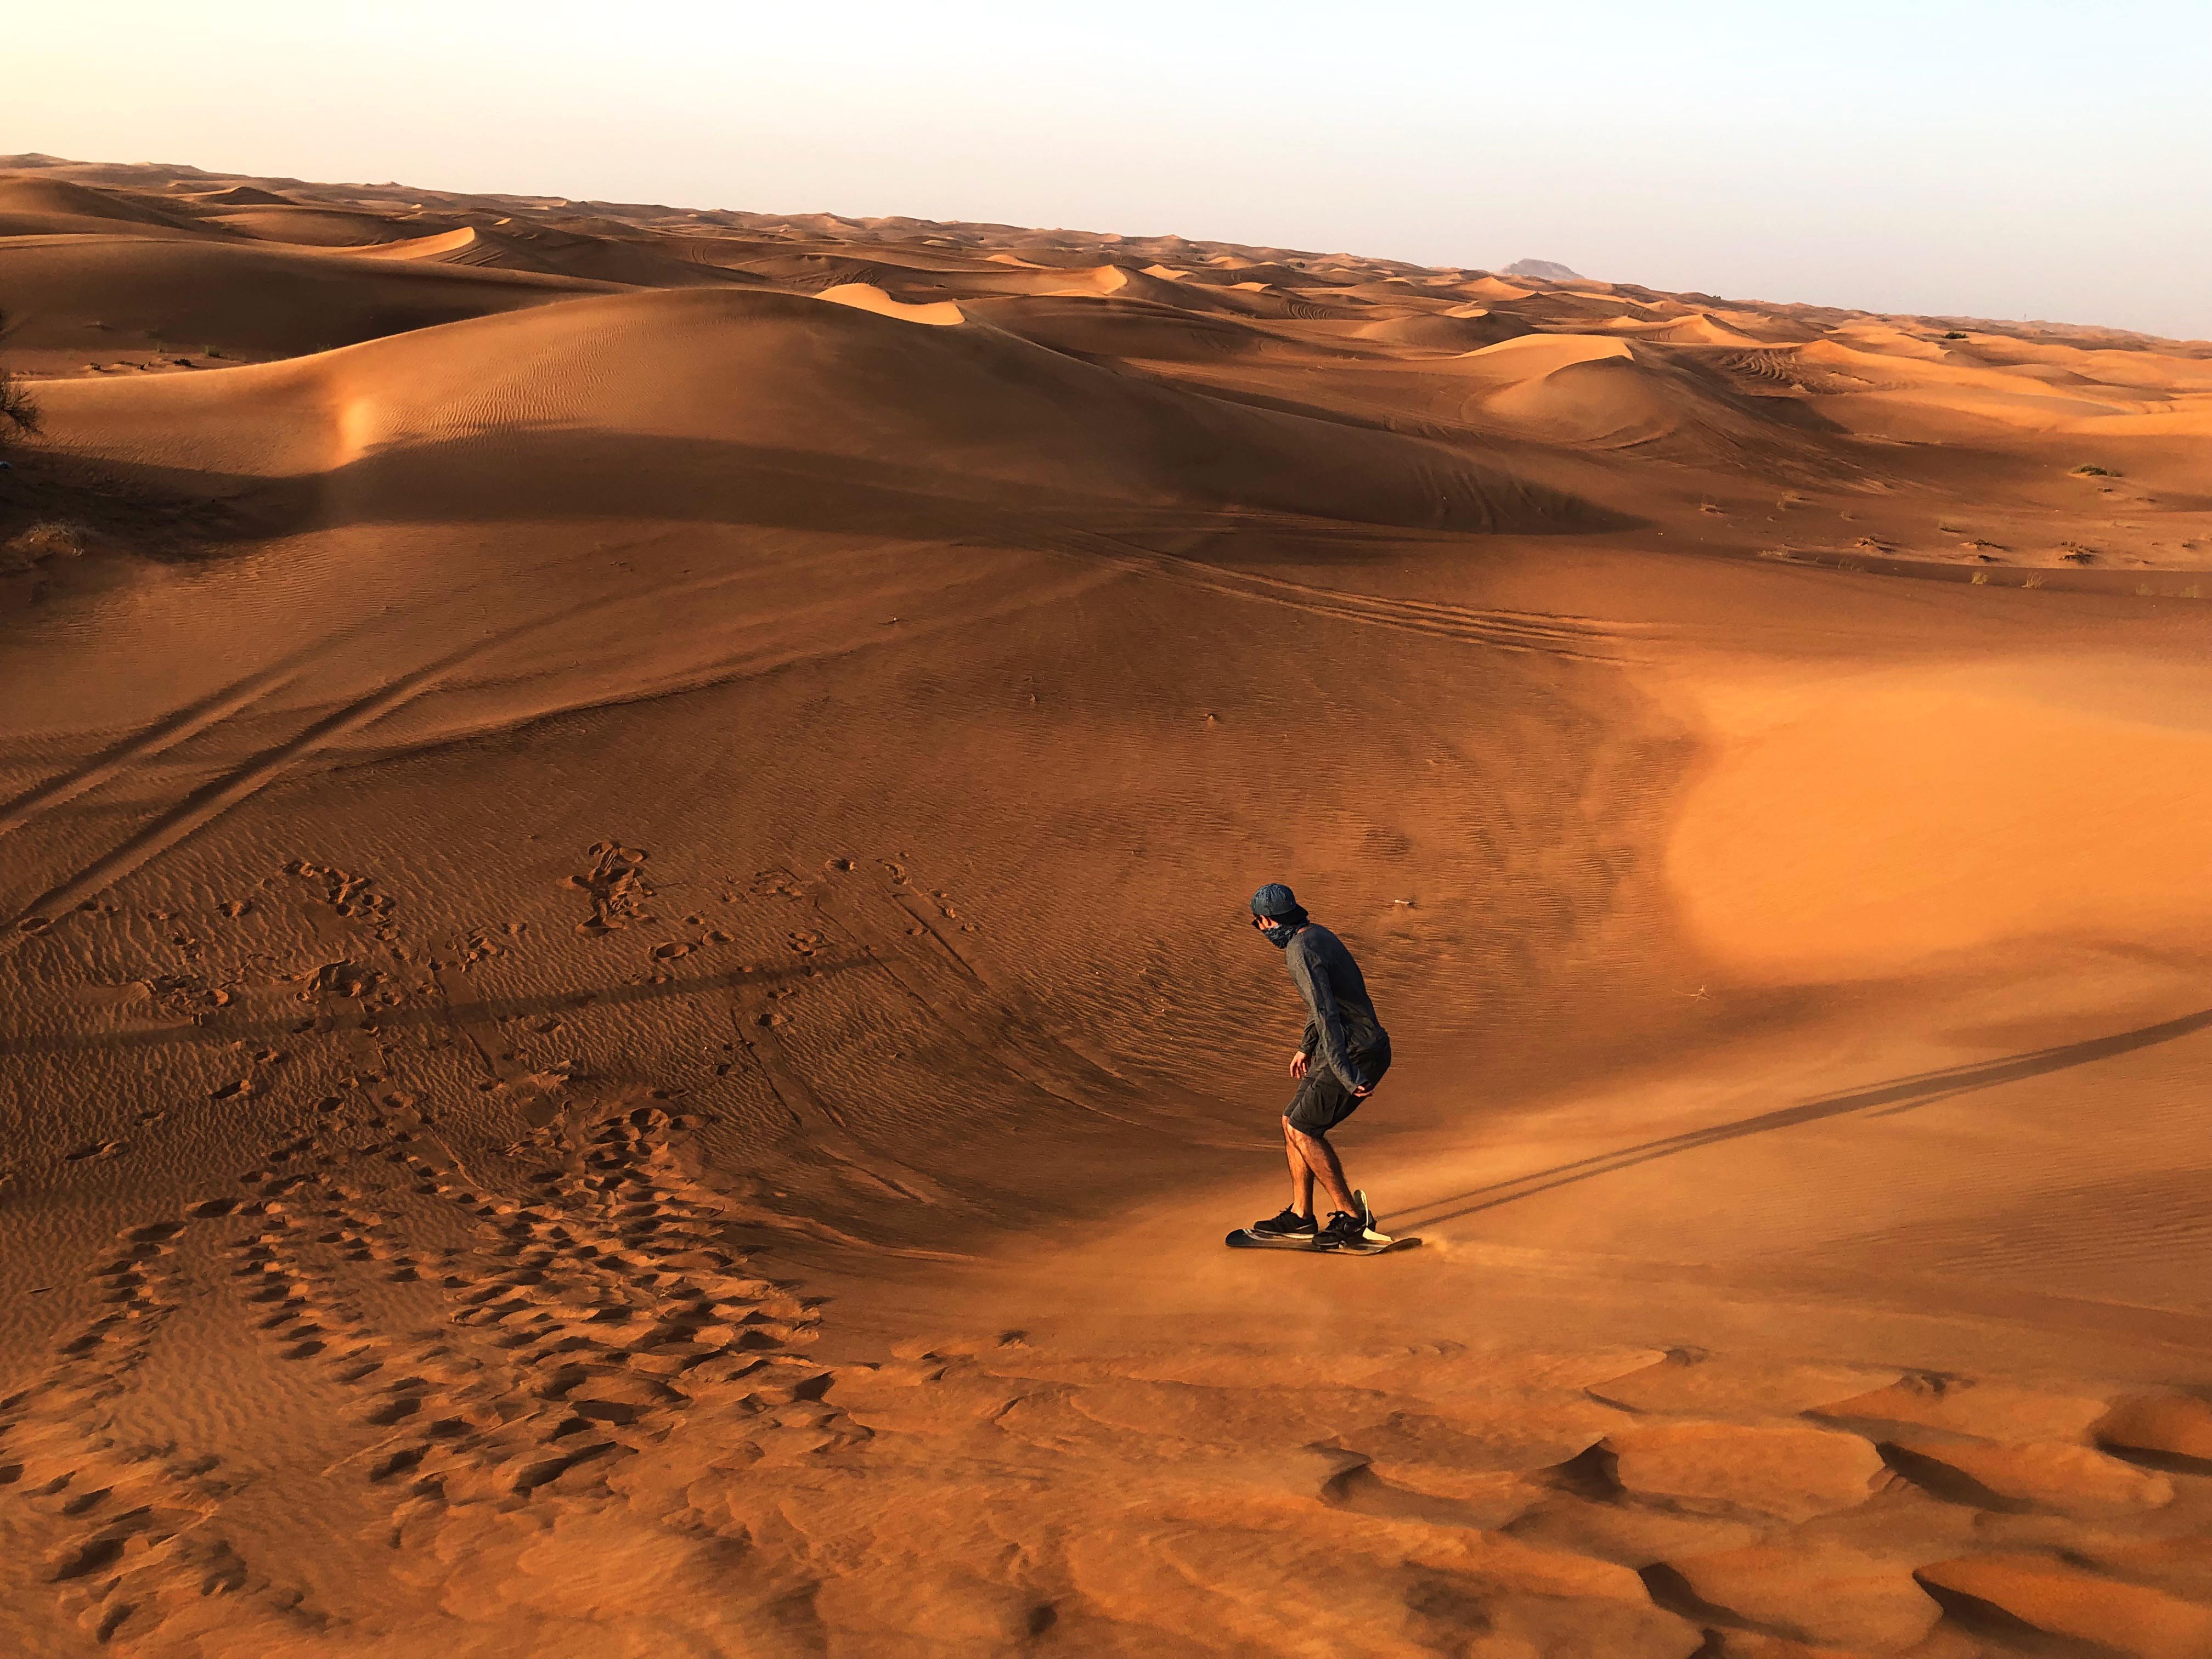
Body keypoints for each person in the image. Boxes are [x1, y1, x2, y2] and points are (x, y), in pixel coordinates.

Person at [1244, 882, 1391, 1250]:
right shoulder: (1318, 936)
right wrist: (1305, 1047)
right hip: (1343, 1047)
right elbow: (1323, 1003)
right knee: (1290, 1121)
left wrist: (1344, 1072)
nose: (1261, 931)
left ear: (1268, 921)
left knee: (1306, 1129)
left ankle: (1353, 1221)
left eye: (1257, 924)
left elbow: (1326, 1013)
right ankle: (1300, 1216)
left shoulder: (1299, 952)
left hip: (1355, 1052)